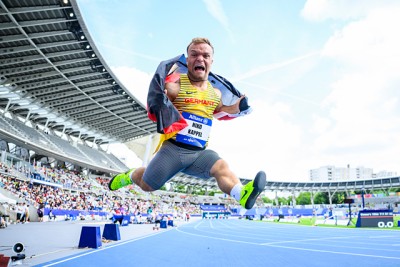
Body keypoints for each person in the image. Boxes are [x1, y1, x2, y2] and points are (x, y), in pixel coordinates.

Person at [109, 37, 266, 210]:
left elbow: (221, 110)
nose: (200, 59)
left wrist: (238, 107)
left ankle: (241, 193)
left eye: (205, 55)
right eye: (195, 54)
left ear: (211, 62)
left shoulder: (216, 93)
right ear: (188, 59)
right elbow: (158, 100)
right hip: (173, 151)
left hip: (199, 153)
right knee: (147, 186)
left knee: (221, 166)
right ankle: (130, 176)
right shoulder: (174, 86)